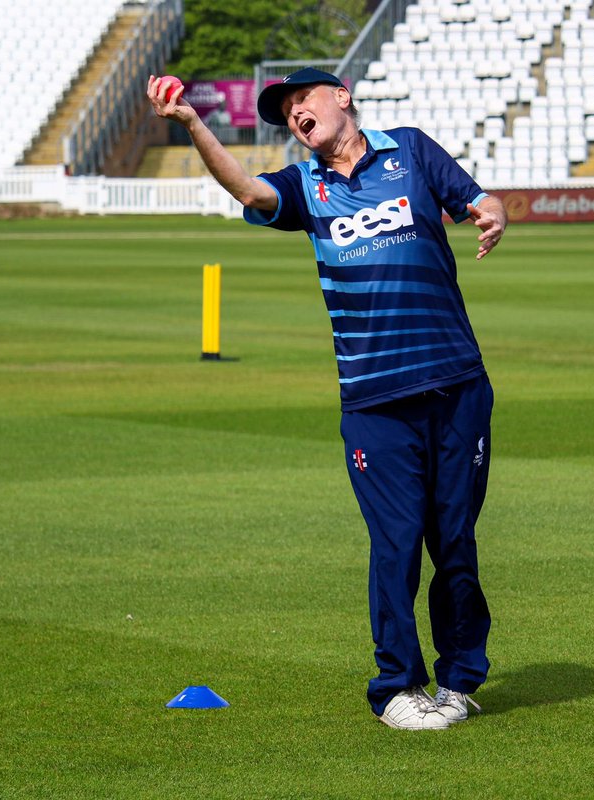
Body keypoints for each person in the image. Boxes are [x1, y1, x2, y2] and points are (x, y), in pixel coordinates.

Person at [147, 67, 508, 730]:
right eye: (284, 112)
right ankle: (398, 688)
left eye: (302, 99)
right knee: (396, 541)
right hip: (374, 398)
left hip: (458, 384)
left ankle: (459, 681)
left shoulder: (412, 151)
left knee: (454, 539)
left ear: (342, 95)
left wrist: (492, 212)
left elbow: (477, 199)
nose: (294, 115)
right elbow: (250, 191)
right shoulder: (304, 186)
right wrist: (195, 125)